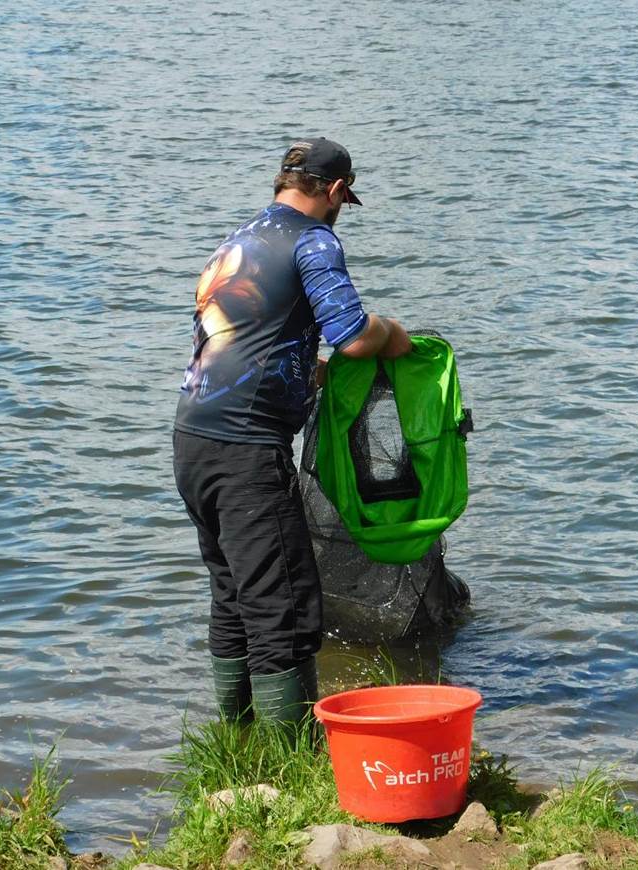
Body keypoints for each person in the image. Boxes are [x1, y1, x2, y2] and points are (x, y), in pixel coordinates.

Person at [172, 137, 412, 728]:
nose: (340, 211)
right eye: (342, 199)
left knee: (233, 595)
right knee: (283, 604)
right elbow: (353, 334)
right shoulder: (314, 240)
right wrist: (393, 333)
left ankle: (233, 744)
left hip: (193, 440)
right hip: (247, 451)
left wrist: (309, 370)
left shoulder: (238, 241)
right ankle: (289, 768)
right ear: (333, 190)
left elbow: (237, 341)